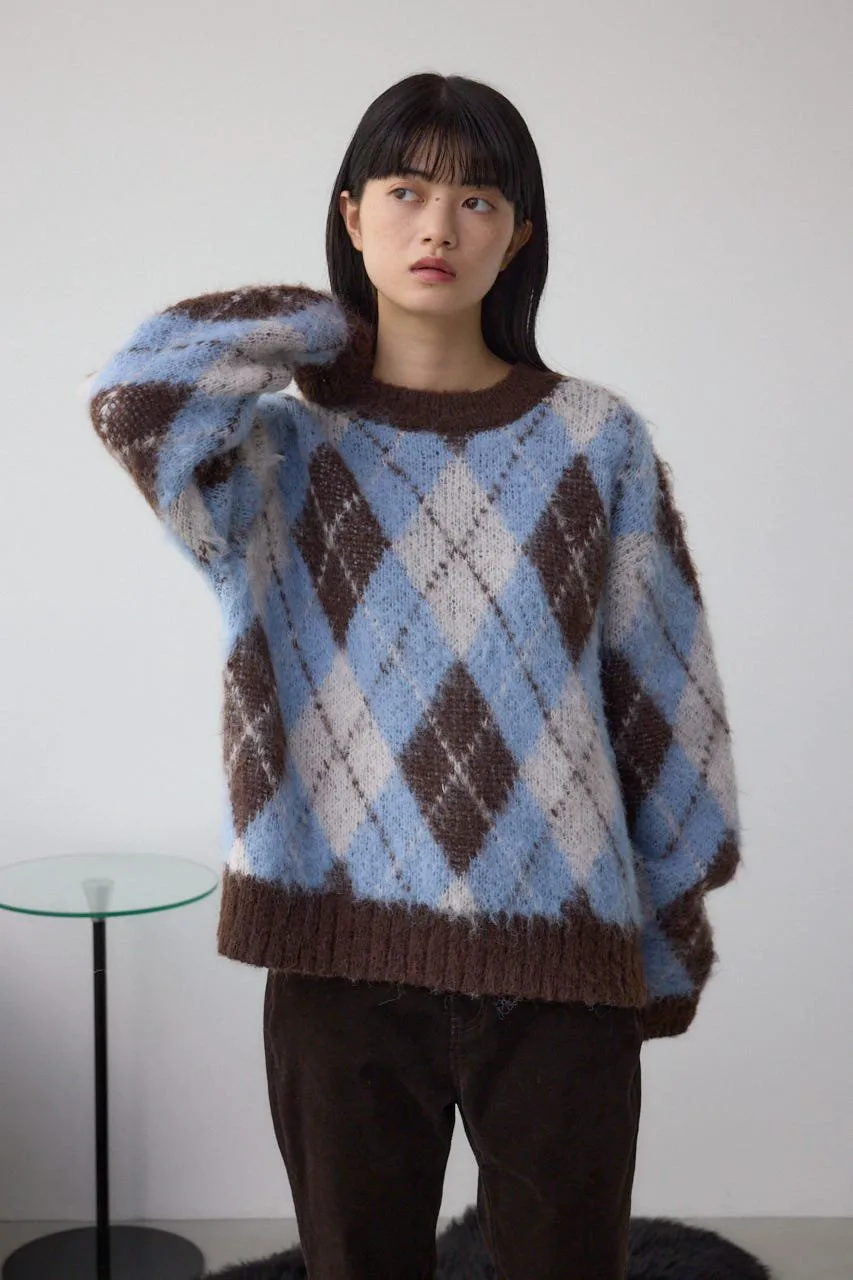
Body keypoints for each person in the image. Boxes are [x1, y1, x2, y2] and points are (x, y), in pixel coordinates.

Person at [84, 71, 742, 1280]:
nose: (439, 226)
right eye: (404, 191)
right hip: (335, 955)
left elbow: (661, 696)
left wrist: (660, 931)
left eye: (478, 199)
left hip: (560, 953)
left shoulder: (595, 439)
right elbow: (137, 398)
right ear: (351, 214)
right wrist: (322, 327)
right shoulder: (274, 452)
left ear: (520, 234)